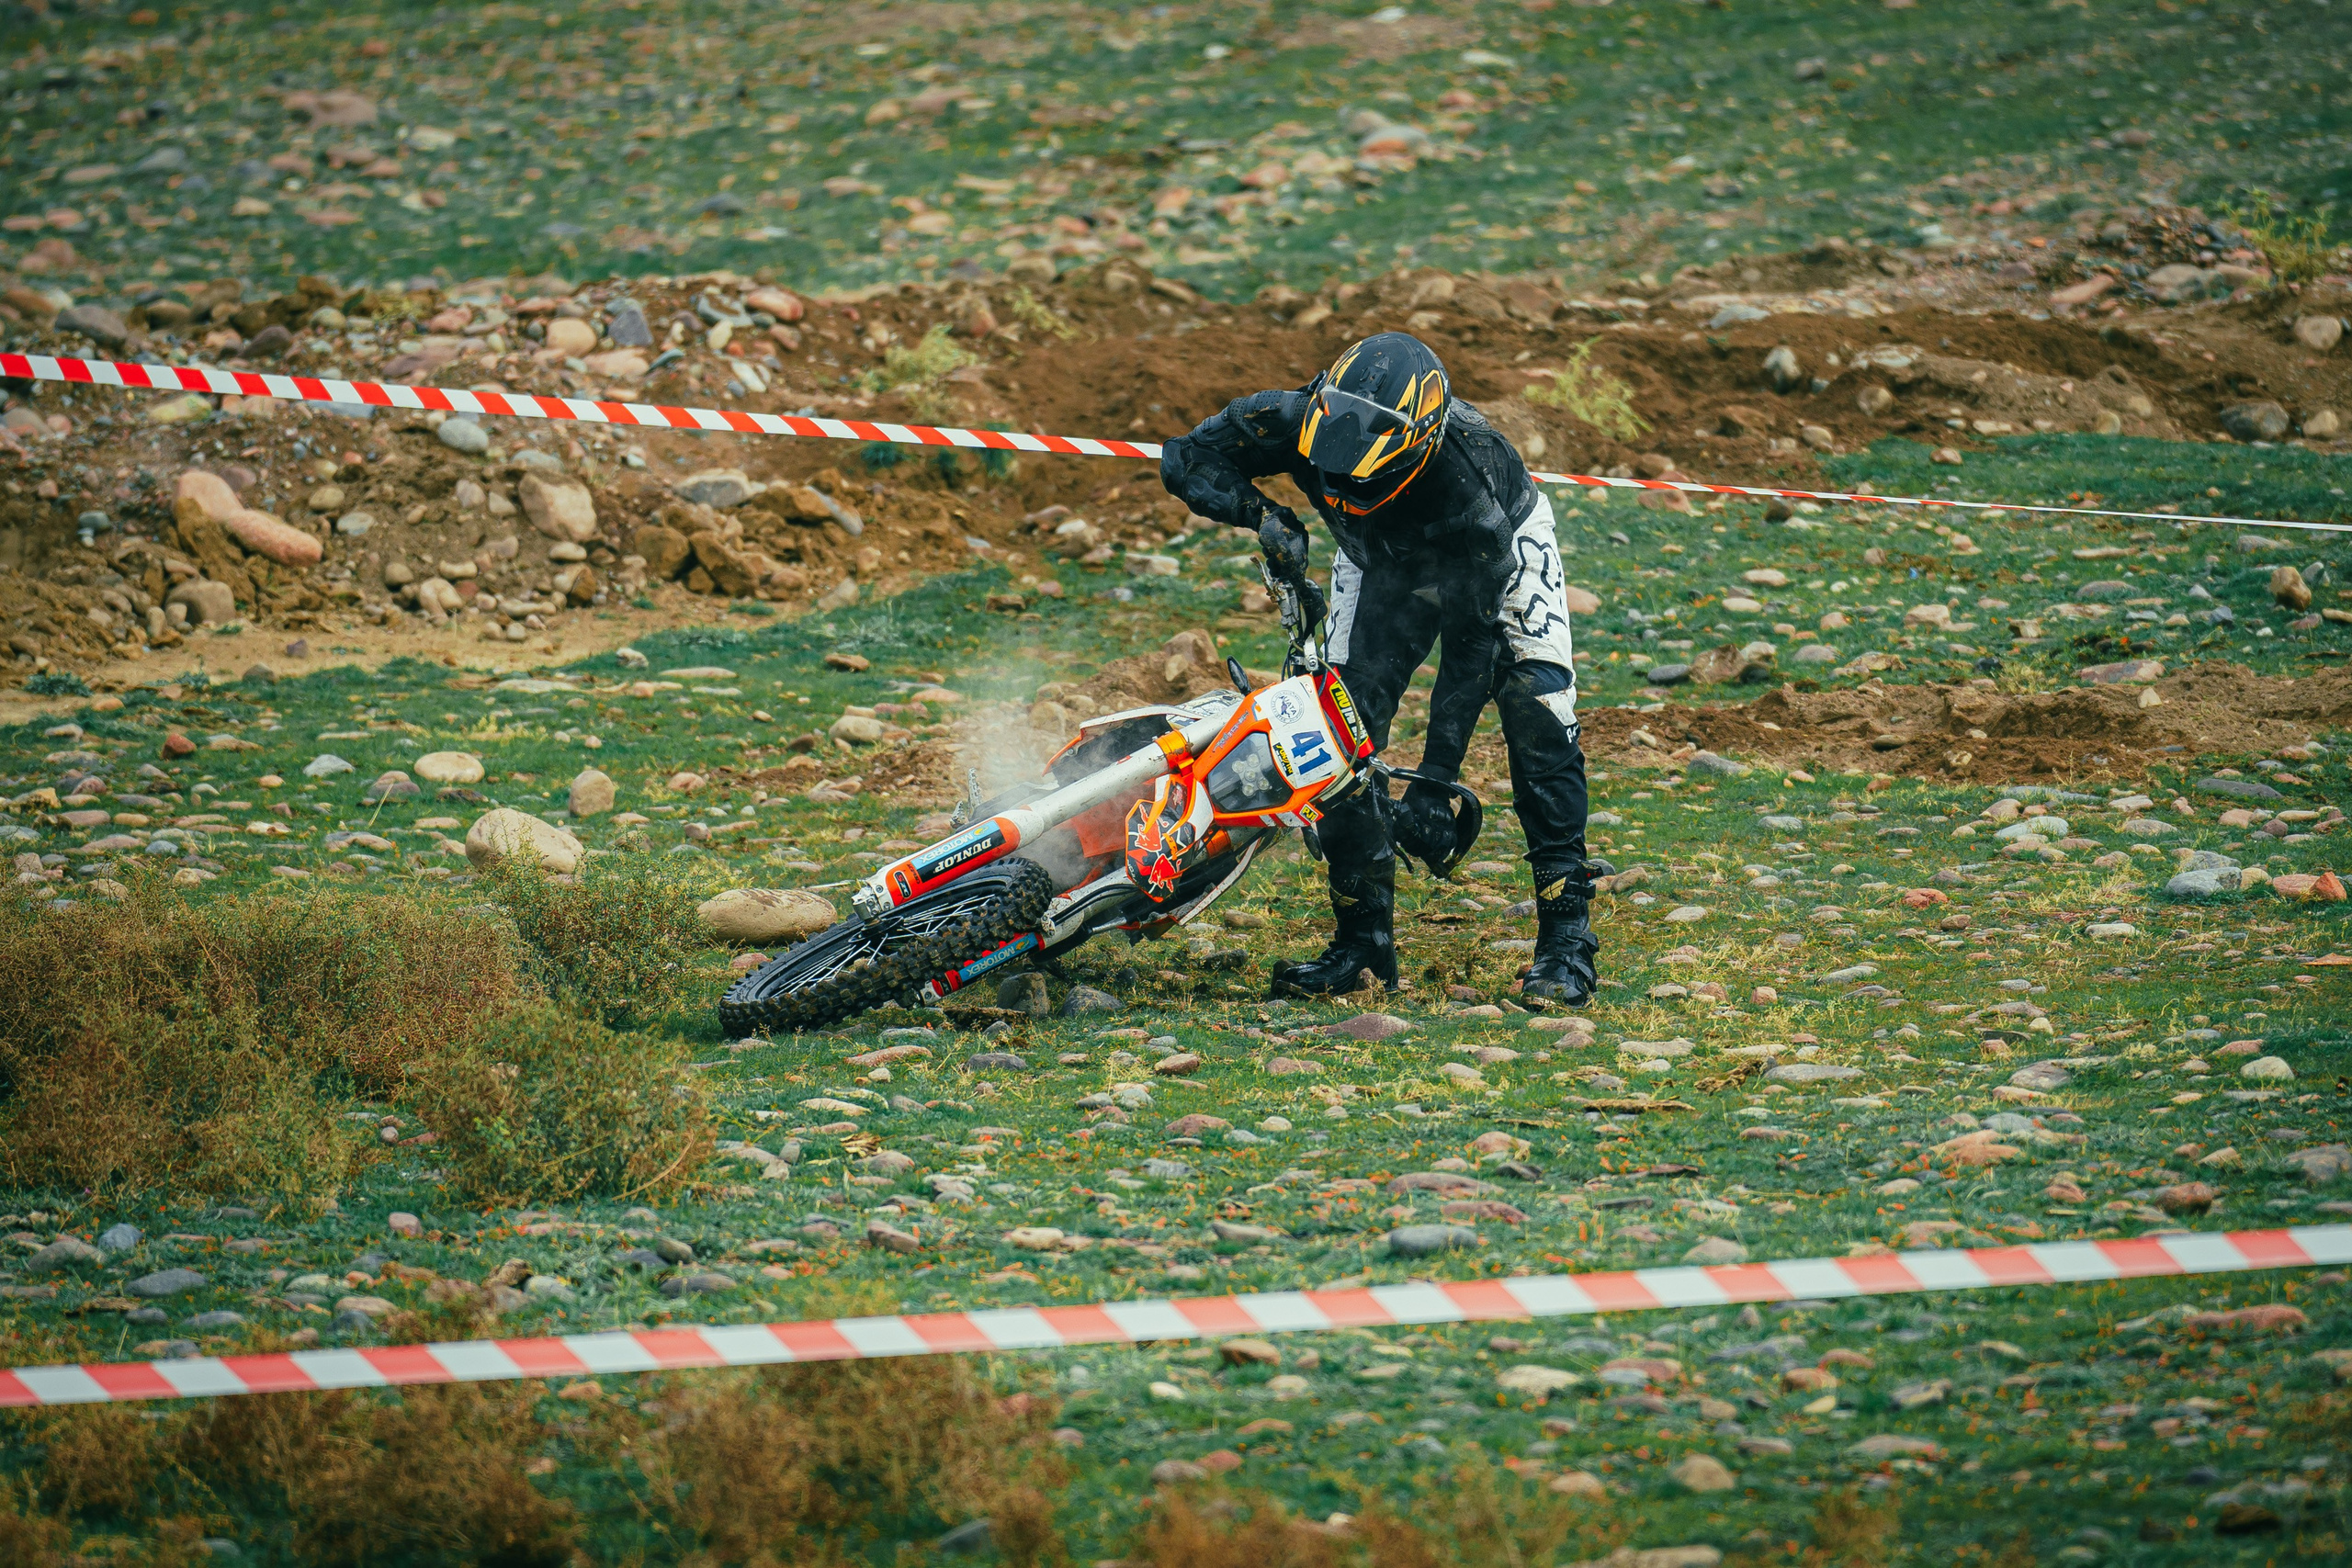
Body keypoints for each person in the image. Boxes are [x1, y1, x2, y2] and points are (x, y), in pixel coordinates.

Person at [1159, 332, 1599, 1006]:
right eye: (1331, 468)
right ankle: (1364, 946)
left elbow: (1469, 653)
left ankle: (1567, 943)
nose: (1344, 484)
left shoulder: (1469, 490)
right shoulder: (1289, 416)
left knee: (1537, 708)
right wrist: (1264, 515)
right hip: (1377, 560)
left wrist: (1436, 786)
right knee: (1329, 724)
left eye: (1368, 474)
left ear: (1416, 452)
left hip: (1495, 553)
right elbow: (1185, 457)